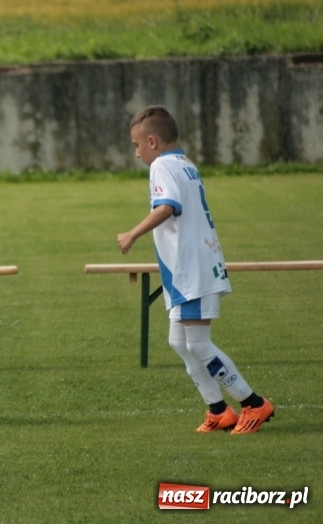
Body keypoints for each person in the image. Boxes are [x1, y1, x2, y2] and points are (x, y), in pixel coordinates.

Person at [116, 105, 274, 435]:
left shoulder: (161, 165)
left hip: (192, 269)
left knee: (199, 344)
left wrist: (132, 233)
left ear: (152, 141)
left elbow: (168, 207)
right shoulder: (184, 163)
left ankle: (253, 403)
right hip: (187, 268)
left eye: (136, 145)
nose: (136, 153)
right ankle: (218, 410)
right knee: (179, 341)